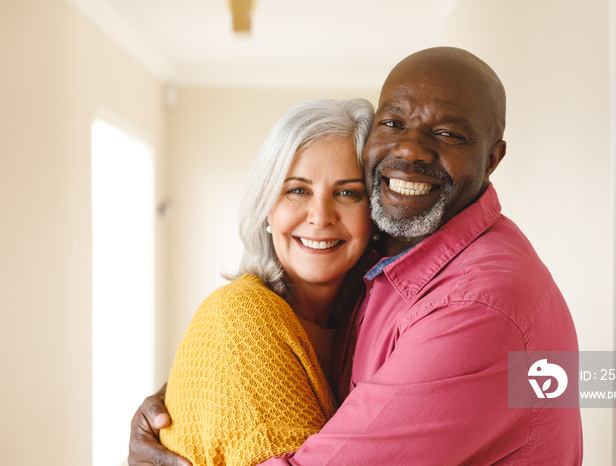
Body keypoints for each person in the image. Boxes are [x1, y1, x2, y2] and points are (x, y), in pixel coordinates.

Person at [129, 47, 583, 465]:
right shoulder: (386, 268)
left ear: (492, 159)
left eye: (448, 133)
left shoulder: (475, 305)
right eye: (393, 123)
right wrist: (188, 401)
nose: (409, 148)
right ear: (265, 203)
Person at [149, 98, 375, 465]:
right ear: (267, 206)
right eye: (297, 190)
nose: (320, 216)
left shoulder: (361, 325)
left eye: (348, 192)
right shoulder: (241, 316)